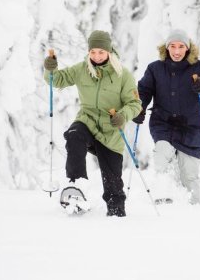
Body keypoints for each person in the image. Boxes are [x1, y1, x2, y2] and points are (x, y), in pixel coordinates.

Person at [43, 30, 142, 217]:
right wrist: (50, 69)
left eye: (101, 52)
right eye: (93, 52)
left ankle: (116, 215)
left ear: (109, 52)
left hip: (111, 132)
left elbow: (135, 104)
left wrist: (123, 115)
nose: (96, 56)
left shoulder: (123, 74)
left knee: (114, 187)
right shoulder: (82, 69)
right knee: (74, 135)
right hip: (87, 121)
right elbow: (56, 80)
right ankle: (76, 186)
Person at [134, 29, 200, 204]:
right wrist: (139, 108)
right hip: (164, 124)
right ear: (166, 48)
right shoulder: (155, 68)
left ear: (187, 48)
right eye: (172, 46)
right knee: (161, 156)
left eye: (181, 46)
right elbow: (143, 91)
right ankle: (165, 195)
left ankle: (194, 209)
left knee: (189, 177)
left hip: (193, 128)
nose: (176, 51)